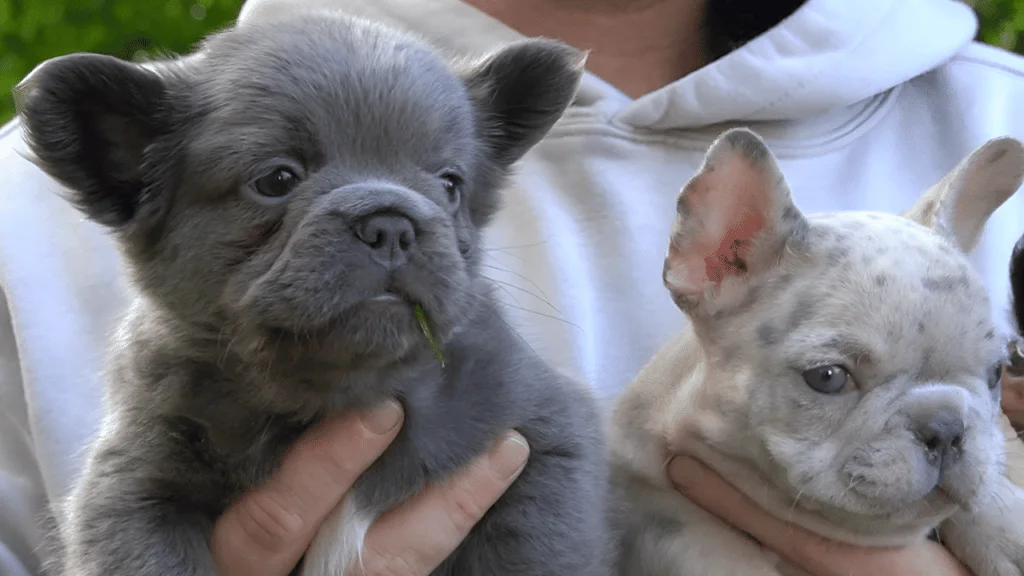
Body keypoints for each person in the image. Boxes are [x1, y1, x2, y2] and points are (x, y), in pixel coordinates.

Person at [1, 0, 1023, 574]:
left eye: (442, 187)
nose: (392, 225)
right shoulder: (23, 225)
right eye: (277, 183)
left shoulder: (993, 119)